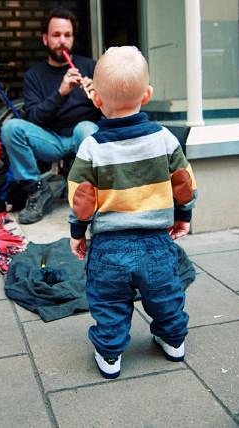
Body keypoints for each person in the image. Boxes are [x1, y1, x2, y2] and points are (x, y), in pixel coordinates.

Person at [68, 46, 198, 379]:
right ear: (148, 94)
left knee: (109, 303)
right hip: (156, 242)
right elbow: (183, 183)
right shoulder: (165, 139)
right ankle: (173, 341)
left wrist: (77, 233)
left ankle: (110, 353)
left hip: (109, 248)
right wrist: (183, 216)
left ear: (96, 99)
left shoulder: (91, 147)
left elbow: (82, 199)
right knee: (165, 293)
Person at [1, 7, 101, 224]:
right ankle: (37, 191)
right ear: (45, 39)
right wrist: (61, 93)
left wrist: (98, 97)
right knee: (10, 128)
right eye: (56, 35)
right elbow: (34, 118)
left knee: (86, 127)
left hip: (84, 136)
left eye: (67, 35)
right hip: (51, 139)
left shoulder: (90, 67)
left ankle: (90, 195)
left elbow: (111, 113)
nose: (62, 41)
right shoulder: (34, 75)